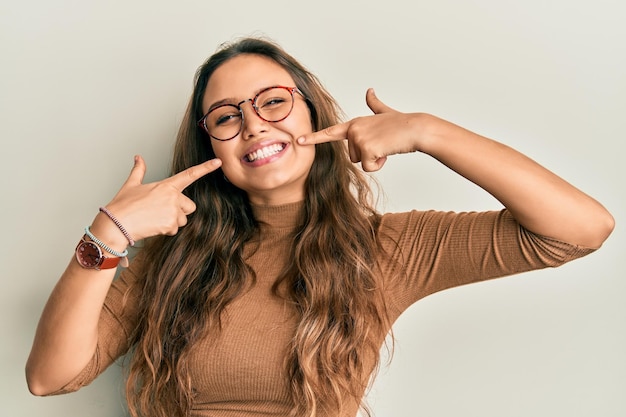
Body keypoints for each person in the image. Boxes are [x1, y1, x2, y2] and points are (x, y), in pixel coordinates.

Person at [25, 36, 614, 417]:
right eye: (226, 118)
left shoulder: (386, 249)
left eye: (273, 102)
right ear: (211, 147)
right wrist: (106, 236)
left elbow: (580, 229)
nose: (253, 125)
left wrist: (430, 133)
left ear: (312, 111)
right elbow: (50, 378)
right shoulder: (174, 259)